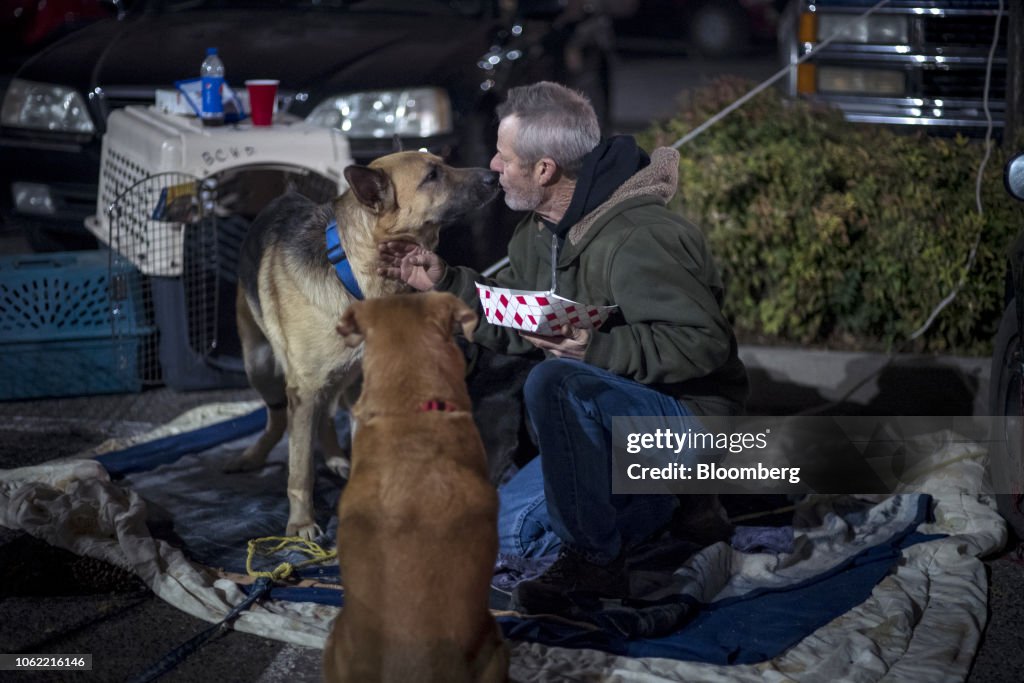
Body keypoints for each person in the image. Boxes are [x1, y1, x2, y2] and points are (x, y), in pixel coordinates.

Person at [377, 81, 748, 615]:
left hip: (688, 424)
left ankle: (602, 560)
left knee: (551, 381)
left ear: (544, 169)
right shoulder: (535, 234)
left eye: (504, 158)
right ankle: (661, 508)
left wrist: (593, 349)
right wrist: (447, 283)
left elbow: (703, 344)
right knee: (512, 533)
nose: (494, 166)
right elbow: (523, 325)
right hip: (605, 418)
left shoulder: (641, 236)